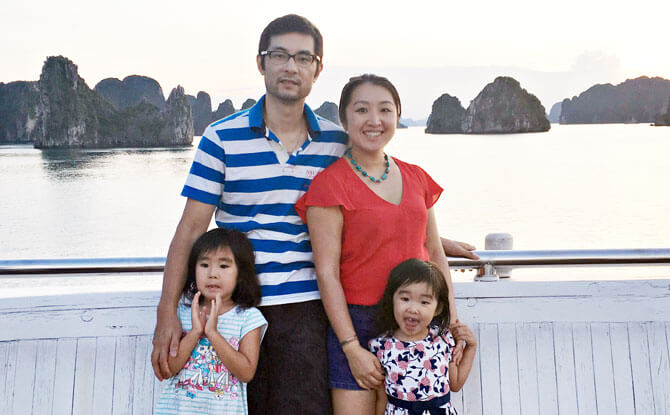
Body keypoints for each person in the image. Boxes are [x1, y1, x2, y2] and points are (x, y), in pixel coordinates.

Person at [152, 14, 477, 415]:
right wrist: (167, 312)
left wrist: (434, 242)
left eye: (303, 58)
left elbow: (367, 206)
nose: (291, 67)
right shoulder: (222, 138)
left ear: (317, 69)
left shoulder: (337, 142)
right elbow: (189, 232)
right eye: (280, 56)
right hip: (235, 305)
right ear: (261, 63)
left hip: (305, 307)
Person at [295, 74, 464, 414]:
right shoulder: (329, 186)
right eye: (361, 110)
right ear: (345, 119)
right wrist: (351, 347)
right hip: (358, 323)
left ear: (397, 116)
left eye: (385, 110)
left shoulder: (417, 177)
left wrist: (451, 323)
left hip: (418, 321)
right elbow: (326, 273)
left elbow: (434, 251)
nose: (374, 121)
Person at [154, 228, 267, 415]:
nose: (212, 274)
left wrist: (213, 334)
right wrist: (195, 333)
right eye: (204, 265)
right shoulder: (182, 313)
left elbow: (246, 372)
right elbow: (169, 370)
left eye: (224, 266)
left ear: (240, 274)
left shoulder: (248, 318)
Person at [369, 259, 477, 415]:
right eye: (405, 299)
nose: (413, 309)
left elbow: (456, 383)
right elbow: (381, 399)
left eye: (424, 302)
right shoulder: (381, 347)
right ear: (392, 299)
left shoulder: (444, 339)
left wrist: (471, 347)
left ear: (438, 308)